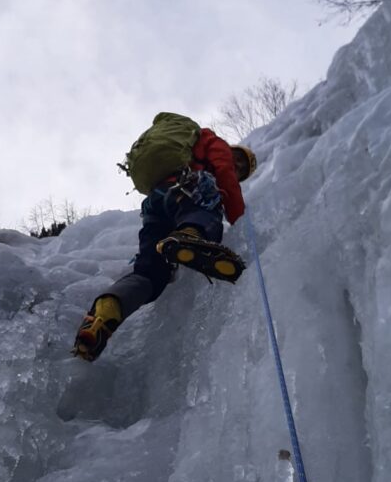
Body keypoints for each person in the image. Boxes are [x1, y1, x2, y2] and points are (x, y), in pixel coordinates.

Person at [72, 112, 257, 362]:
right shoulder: (215, 143)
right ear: (233, 151)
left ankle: (102, 316)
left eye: (243, 171)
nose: (238, 168)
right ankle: (189, 237)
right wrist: (241, 219)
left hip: (157, 205)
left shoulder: (185, 146)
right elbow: (223, 171)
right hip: (188, 186)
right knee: (209, 210)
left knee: (150, 276)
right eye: (240, 161)